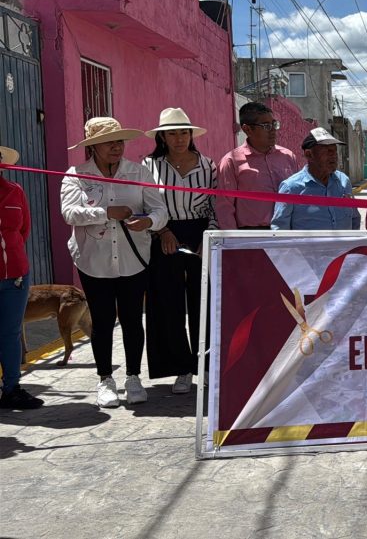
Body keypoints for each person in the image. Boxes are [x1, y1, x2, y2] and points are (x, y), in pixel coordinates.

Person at [60, 117, 168, 408]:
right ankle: (105, 379)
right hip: (94, 261)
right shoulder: (76, 175)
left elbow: (160, 211)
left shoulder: (138, 172)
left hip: (134, 259)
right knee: (103, 321)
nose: (116, 147)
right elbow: (70, 213)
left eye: (119, 141)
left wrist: (148, 221)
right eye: (109, 142)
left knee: (133, 319)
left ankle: (133, 377)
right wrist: (107, 212)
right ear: (93, 146)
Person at [142, 108, 217, 394]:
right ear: (162, 136)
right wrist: (162, 231)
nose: (179, 138)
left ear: (191, 134)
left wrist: (208, 236)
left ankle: (207, 364)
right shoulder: (149, 166)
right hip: (164, 234)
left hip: (201, 233)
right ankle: (181, 369)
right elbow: (145, 203)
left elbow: (214, 205)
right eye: (172, 133)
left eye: (184, 132)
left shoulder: (208, 165)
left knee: (205, 302)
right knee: (168, 304)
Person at [0, 143, 42, 409]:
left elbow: (24, 230)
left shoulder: (15, 191)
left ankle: (12, 388)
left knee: (10, 333)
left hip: (15, 275)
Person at [216, 102, 299, 230]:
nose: (272, 130)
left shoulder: (288, 157)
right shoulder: (231, 162)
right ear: (247, 129)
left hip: (287, 232)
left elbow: (298, 196)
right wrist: (234, 243)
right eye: (266, 126)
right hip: (252, 235)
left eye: (274, 124)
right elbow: (225, 209)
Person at [272, 128, 359, 230]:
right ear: (309, 154)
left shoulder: (343, 181)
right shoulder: (291, 188)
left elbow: (355, 218)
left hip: (344, 246)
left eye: (335, 150)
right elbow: (280, 229)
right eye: (327, 150)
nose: (334, 155)